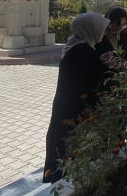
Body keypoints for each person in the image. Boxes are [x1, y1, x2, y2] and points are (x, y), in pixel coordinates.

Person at [43, 13, 117, 184]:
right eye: (101, 29)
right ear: (90, 29)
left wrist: (102, 64)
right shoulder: (81, 51)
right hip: (73, 113)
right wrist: (108, 68)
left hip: (69, 109)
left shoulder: (80, 46)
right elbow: (89, 83)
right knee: (71, 153)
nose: (104, 33)